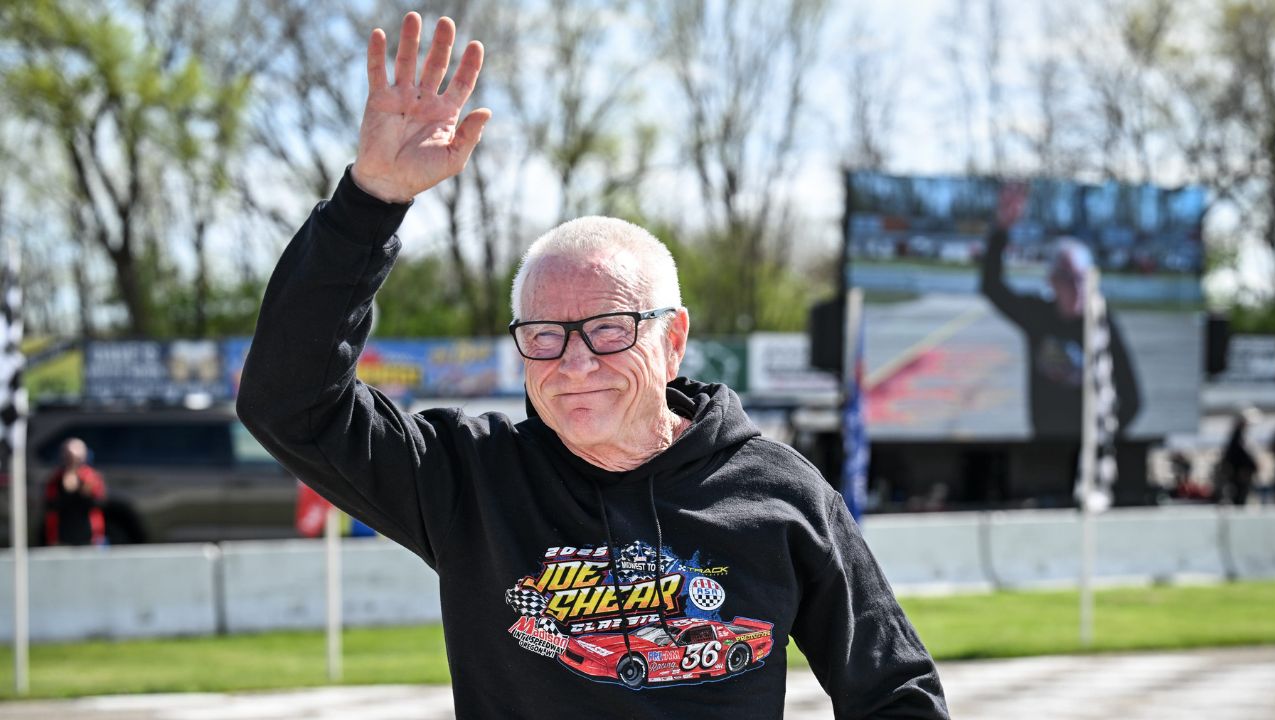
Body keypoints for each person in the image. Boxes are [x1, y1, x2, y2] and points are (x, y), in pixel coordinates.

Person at [237, 13, 948, 719]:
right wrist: (370, 201)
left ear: (672, 342)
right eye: (544, 335)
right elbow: (289, 402)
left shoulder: (780, 494)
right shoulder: (469, 479)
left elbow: (896, 693)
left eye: (608, 329)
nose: (574, 363)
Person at [980, 185, 1141, 440]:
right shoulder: (1038, 317)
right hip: (1044, 445)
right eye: (1067, 278)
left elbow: (1132, 400)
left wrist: (1103, 436)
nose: (1077, 287)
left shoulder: (1102, 323)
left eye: (1082, 278)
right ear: (1052, 280)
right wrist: (1001, 229)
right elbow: (991, 287)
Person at [42, 437, 107, 546]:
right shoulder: (57, 478)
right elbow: (50, 505)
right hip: (62, 535)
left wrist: (84, 491)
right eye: (69, 457)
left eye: (76, 458)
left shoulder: (91, 477)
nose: (73, 462)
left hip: (89, 535)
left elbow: (99, 503)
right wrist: (65, 491)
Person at [1218, 411, 1257, 506]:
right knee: (1239, 499)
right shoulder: (1237, 437)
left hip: (1240, 474)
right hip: (1239, 475)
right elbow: (1238, 455)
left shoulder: (1240, 436)